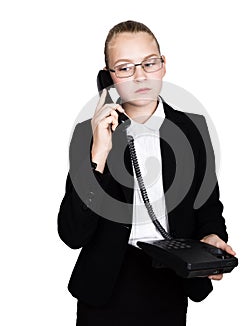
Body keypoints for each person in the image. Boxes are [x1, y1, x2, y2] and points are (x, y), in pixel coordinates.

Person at [57, 20, 236, 326]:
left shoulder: (192, 130)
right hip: (106, 288)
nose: (140, 76)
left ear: (163, 65)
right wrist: (98, 153)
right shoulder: (88, 135)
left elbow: (207, 208)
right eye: (125, 67)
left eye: (149, 63)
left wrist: (212, 236)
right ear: (108, 76)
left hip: (170, 279)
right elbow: (73, 234)